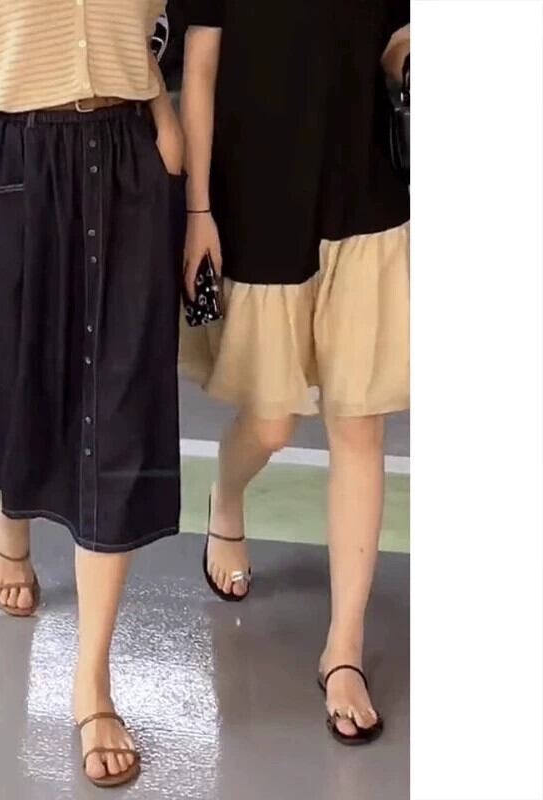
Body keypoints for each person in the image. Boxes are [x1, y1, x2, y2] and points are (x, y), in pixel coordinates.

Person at [0, 0, 186, 786]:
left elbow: (147, 36)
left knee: (121, 401)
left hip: (129, 162)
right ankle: (14, 521)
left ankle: (91, 682)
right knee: (18, 379)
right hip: (15, 166)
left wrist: (164, 123)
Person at [180, 0, 410, 744]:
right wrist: (198, 210)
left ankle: (343, 649)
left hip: (366, 190)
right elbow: (201, 64)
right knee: (273, 420)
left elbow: (395, 37)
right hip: (259, 191)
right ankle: (225, 493)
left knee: (359, 423)